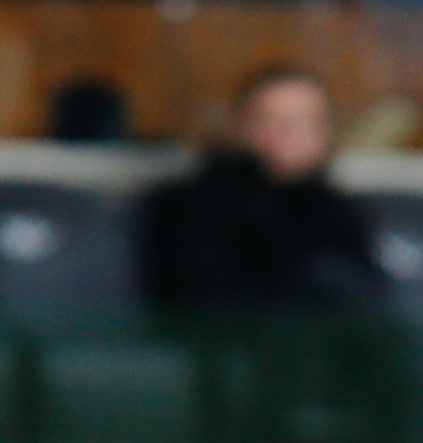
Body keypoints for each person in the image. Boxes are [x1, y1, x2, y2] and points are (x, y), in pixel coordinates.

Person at [140, 63, 386, 311]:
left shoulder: (341, 212)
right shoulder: (191, 207)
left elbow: (369, 301)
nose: (288, 133)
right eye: (271, 119)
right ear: (240, 126)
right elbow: (200, 299)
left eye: (306, 121)